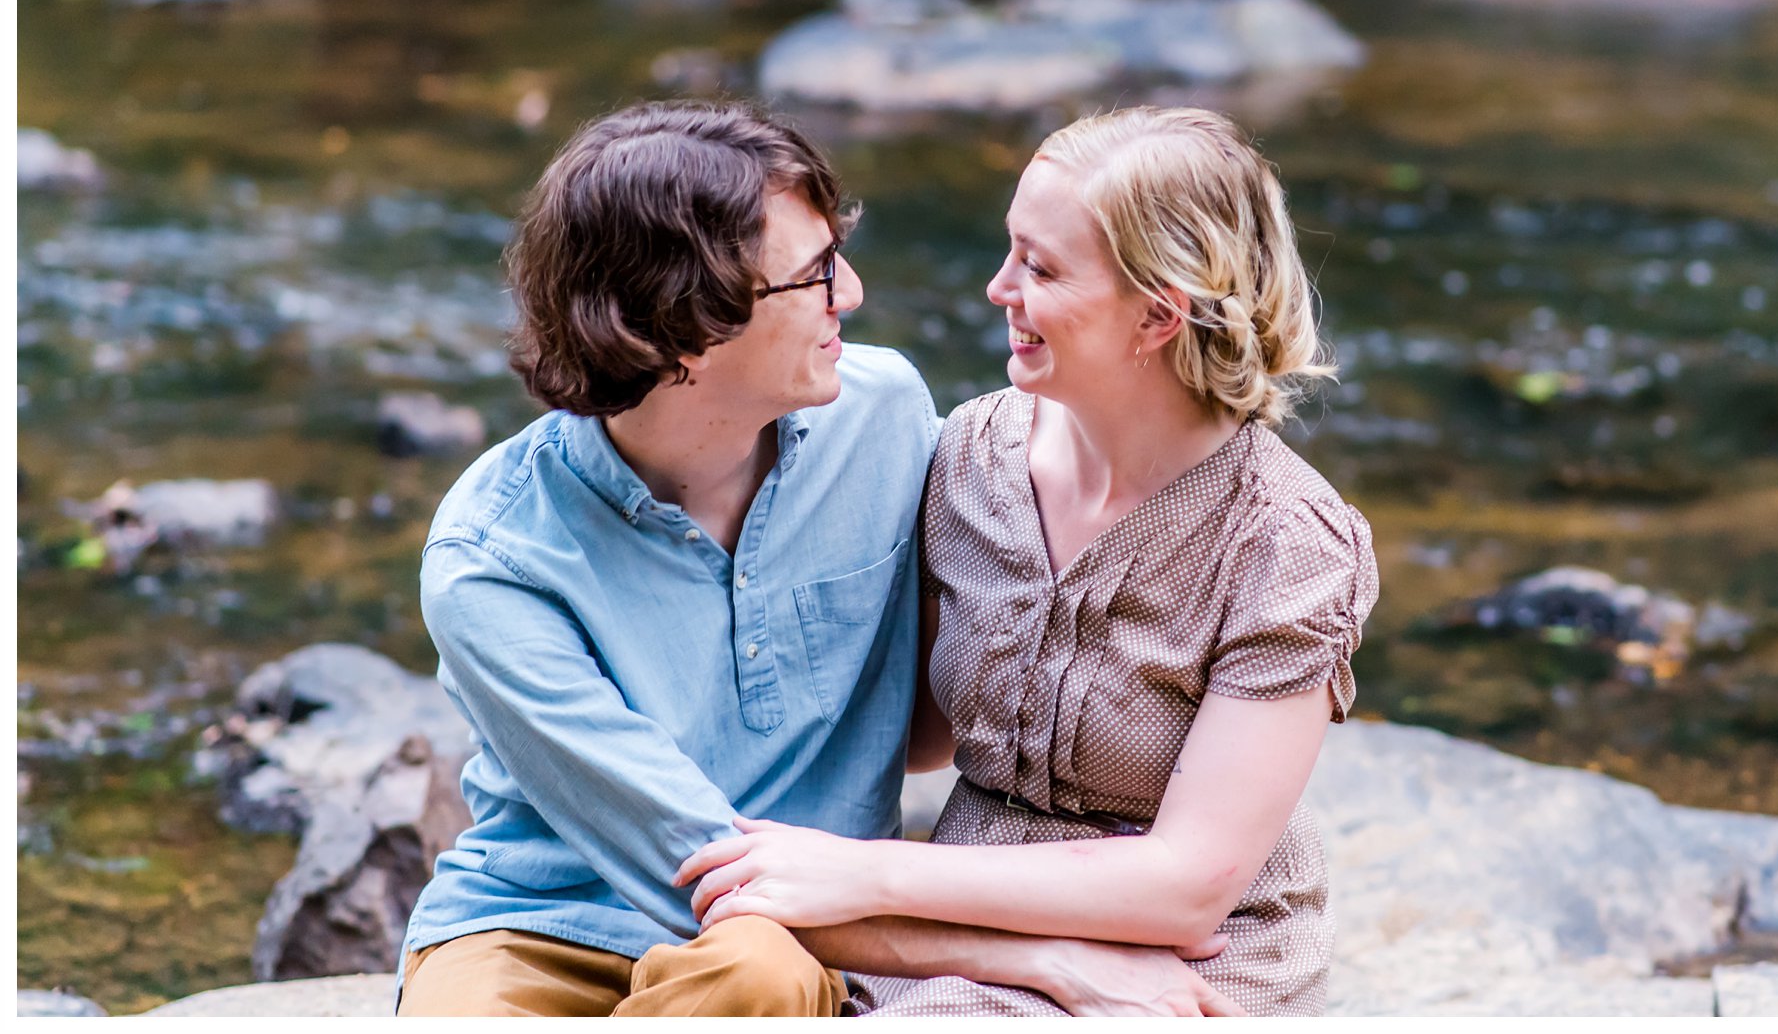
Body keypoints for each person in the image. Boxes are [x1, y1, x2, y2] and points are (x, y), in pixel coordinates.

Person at [397, 101, 1240, 1016]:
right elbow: (703, 869)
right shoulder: (492, 561)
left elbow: (950, 708)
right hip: (539, 928)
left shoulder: (883, 416)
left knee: (751, 973)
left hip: (780, 945)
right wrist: (1038, 957)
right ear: (684, 330)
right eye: (814, 276)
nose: (853, 294)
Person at [679, 105, 1381, 1016]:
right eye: (1011, 249)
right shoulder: (970, 454)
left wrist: (858, 874)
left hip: (1187, 962)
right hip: (949, 932)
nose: (996, 287)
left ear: (1157, 316)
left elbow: (1188, 886)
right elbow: (919, 736)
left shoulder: (1285, 544)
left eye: (1039, 268)